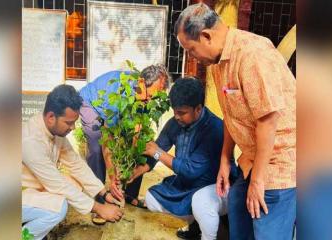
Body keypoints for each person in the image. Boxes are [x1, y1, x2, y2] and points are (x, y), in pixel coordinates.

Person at [175, 3, 296, 240]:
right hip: (253, 159)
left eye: (190, 49)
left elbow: (268, 120)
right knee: (238, 207)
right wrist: (224, 161)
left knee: (263, 220)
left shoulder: (253, 54)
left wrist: (258, 181)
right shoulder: (218, 63)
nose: (192, 58)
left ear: (206, 36)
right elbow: (232, 115)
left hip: (280, 163)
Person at [22, 85, 123, 240]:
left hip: (31, 189)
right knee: (58, 208)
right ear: (51, 117)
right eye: (69, 122)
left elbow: (76, 164)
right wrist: (98, 208)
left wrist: (103, 193)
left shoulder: (55, 131)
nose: (73, 127)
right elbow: (57, 183)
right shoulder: (30, 141)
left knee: (75, 184)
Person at [139, 77, 234, 240]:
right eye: (174, 111)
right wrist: (140, 170)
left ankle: (210, 235)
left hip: (216, 187)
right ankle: (195, 224)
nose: (176, 116)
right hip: (189, 185)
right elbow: (158, 146)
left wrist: (158, 153)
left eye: (181, 112)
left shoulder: (214, 129)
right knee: (151, 198)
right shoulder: (176, 122)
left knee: (201, 202)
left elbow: (189, 170)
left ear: (198, 109)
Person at [78, 64, 170, 207]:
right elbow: (107, 137)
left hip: (111, 108)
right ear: (140, 82)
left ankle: (129, 194)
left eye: (153, 98)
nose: (149, 101)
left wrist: (132, 156)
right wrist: (112, 175)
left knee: (142, 145)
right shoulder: (120, 93)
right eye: (149, 96)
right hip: (92, 103)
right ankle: (98, 196)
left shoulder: (145, 97)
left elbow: (137, 130)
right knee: (96, 146)